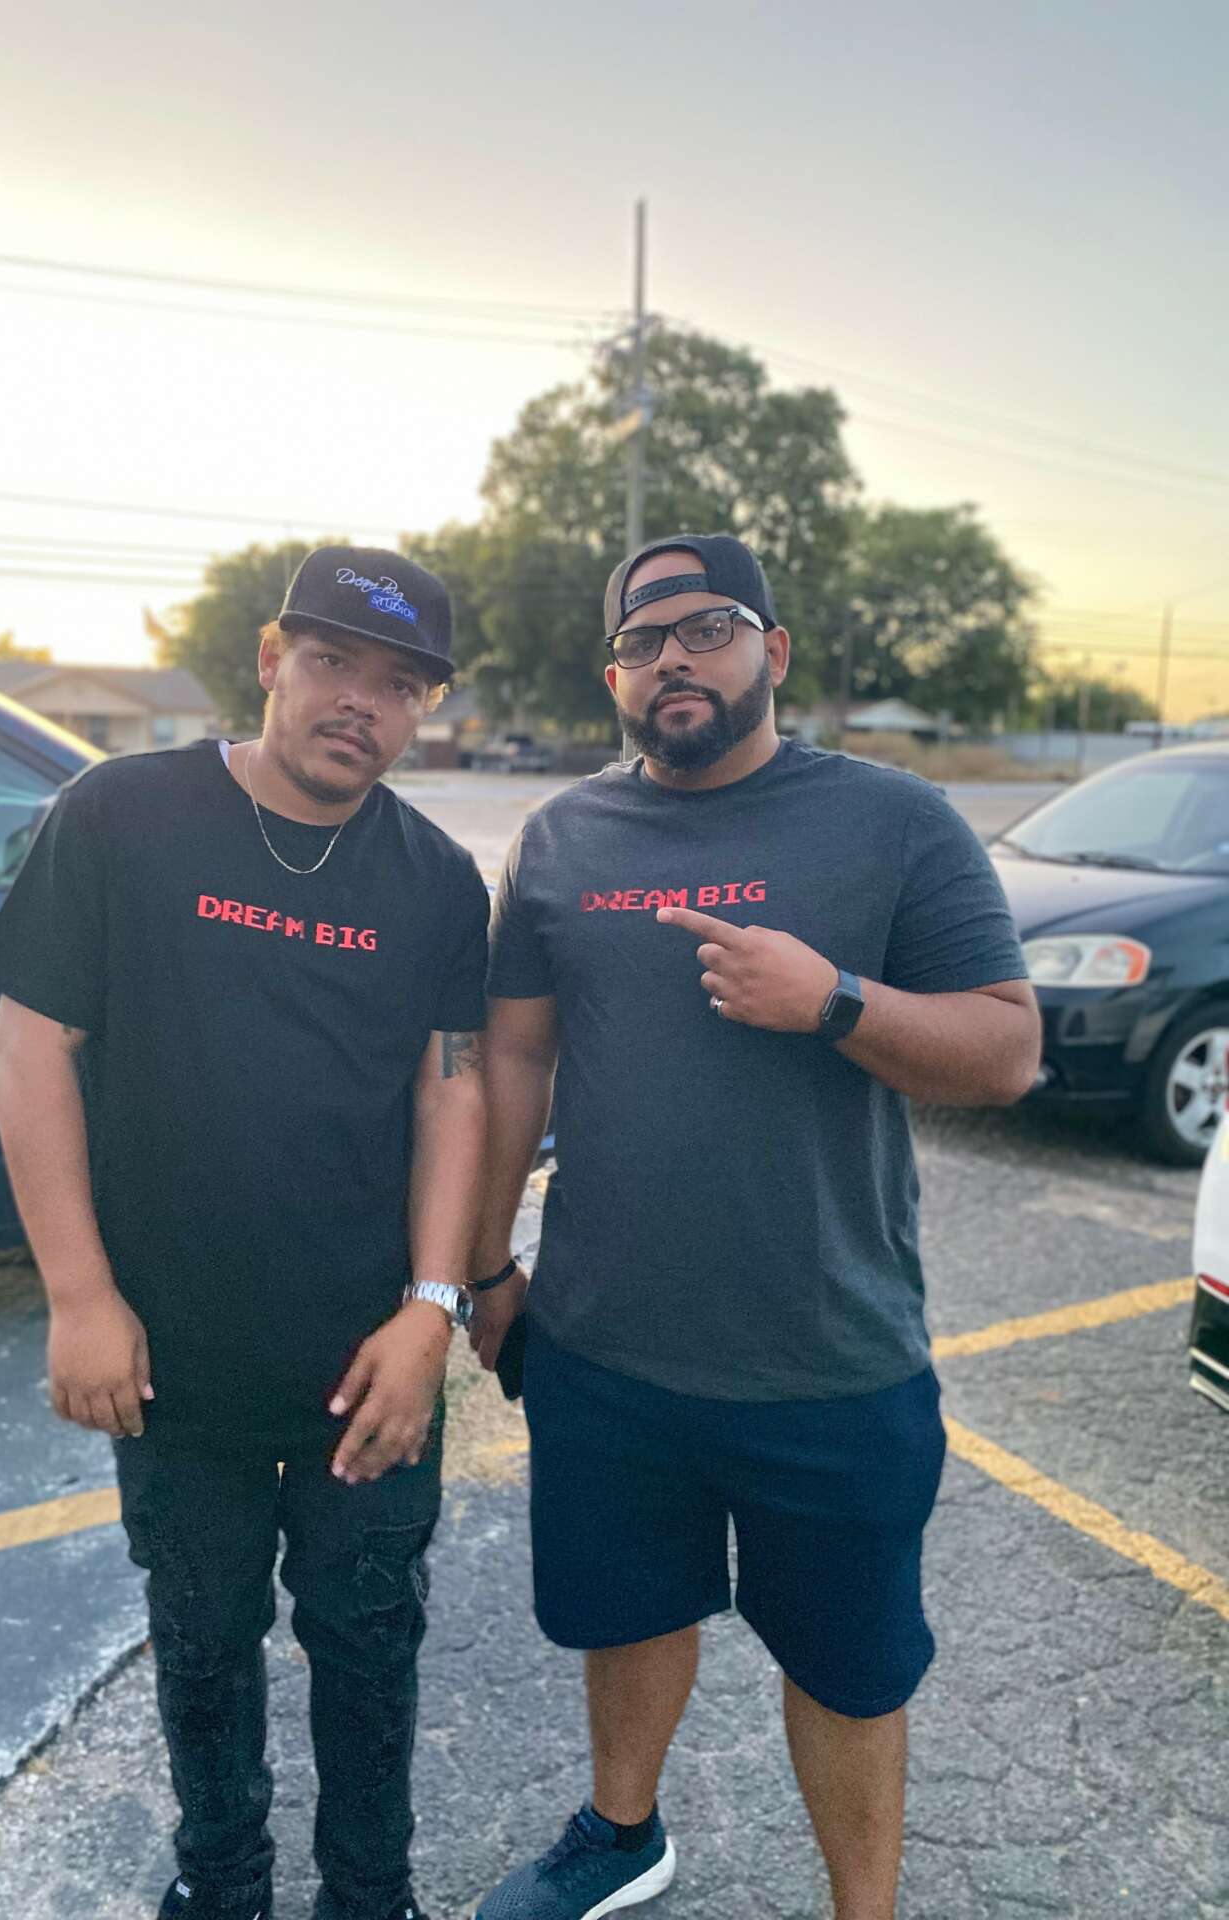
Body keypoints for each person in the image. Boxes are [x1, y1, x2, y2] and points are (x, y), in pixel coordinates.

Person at [468, 534, 1039, 1920]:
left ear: (772, 652)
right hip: (604, 1343)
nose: (674, 657)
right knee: (628, 1611)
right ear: (614, 677)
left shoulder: (894, 821)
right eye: (642, 640)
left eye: (708, 627)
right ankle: (622, 1833)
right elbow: (515, 1062)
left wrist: (833, 1000)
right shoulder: (562, 839)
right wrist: (485, 1267)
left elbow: (1007, 1052)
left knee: (849, 1666)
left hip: (828, 1353)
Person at [0, 546, 489, 1920]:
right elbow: (30, 1048)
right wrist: (80, 1295)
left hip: (366, 1365)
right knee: (201, 1640)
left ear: (424, 708)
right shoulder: (122, 814)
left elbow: (451, 1089)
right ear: (270, 658)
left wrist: (431, 1308)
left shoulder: (438, 881)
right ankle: (223, 1885)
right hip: (169, 1356)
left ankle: (370, 1894)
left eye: (400, 684)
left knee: (369, 1640)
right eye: (331, 662)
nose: (359, 702)